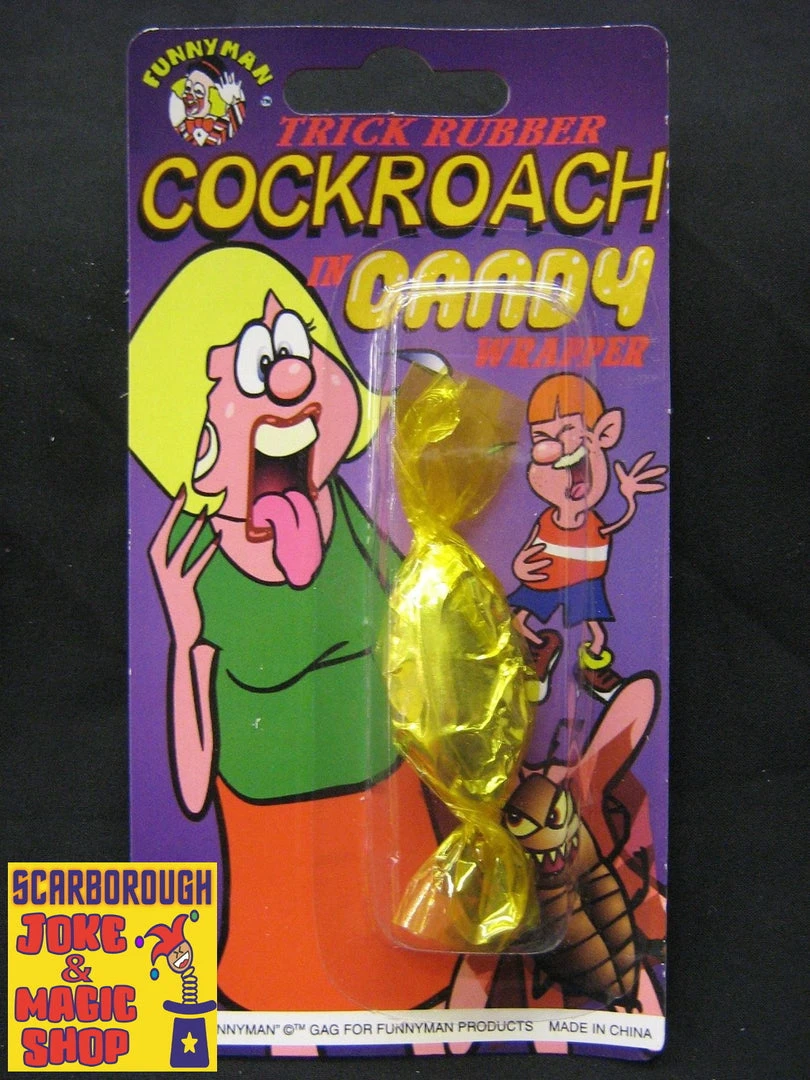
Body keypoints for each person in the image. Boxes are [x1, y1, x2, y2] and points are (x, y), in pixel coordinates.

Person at [131, 245, 453, 1011]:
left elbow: (416, 612)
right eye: (257, 367)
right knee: (286, 1001)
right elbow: (191, 785)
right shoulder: (199, 571)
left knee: (423, 985)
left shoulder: (339, 507)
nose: (290, 381)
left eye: (298, 347)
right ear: (194, 441)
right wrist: (184, 635)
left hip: (392, 825)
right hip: (274, 856)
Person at [509, 374, 666, 701]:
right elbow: (530, 547)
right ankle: (539, 650)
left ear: (605, 434)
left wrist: (629, 495)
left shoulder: (593, 522)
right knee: (517, 620)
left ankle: (592, 666)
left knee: (596, 634)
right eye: (542, 439)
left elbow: (616, 525)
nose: (555, 449)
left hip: (584, 582)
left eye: (569, 431)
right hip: (542, 578)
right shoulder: (546, 520)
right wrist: (521, 567)